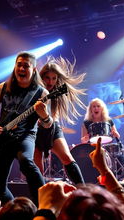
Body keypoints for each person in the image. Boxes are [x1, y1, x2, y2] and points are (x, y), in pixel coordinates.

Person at [0, 51, 53, 205]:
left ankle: (44, 203)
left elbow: (48, 125)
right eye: (19, 65)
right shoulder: (4, 87)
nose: (21, 68)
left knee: (26, 161)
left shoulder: (42, 93)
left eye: (25, 66)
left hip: (25, 136)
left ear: (33, 70)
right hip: (3, 138)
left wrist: (44, 115)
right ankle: (17, 211)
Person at [34, 56, 86, 184]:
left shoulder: (57, 93)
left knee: (67, 157)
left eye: (53, 78)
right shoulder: (33, 90)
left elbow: (53, 117)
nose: (50, 82)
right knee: (37, 168)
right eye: (47, 78)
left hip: (52, 128)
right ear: (41, 77)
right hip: (35, 130)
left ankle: (83, 190)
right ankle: (41, 200)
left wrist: (46, 118)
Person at [81, 98, 124, 177]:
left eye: (98, 106)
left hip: (107, 147)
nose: (96, 108)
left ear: (102, 108)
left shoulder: (108, 120)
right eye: (93, 106)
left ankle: (116, 175)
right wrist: (85, 139)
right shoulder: (86, 122)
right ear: (90, 109)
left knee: (120, 155)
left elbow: (117, 135)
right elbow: (83, 141)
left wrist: (115, 133)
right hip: (92, 147)